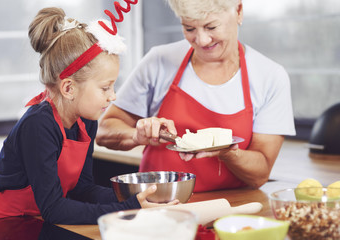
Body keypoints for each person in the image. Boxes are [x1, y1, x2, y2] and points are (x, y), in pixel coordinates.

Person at [0, 7, 177, 225]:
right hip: (3, 223)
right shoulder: (38, 126)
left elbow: (82, 189)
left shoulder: (86, 121)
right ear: (68, 88)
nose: (113, 96)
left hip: (38, 219)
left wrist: (139, 198)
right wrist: (127, 208)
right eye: (105, 88)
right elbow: (53, 209)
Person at [96, 0, 296, 192]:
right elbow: (104, 131)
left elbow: (259, 174)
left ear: (239, 11)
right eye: (189, 28)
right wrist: (136, 135)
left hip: (232, 208)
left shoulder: (270, 77)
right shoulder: (159, 61)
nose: (201, 40)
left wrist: (228, 152)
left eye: (211, 27)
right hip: (158, 202)